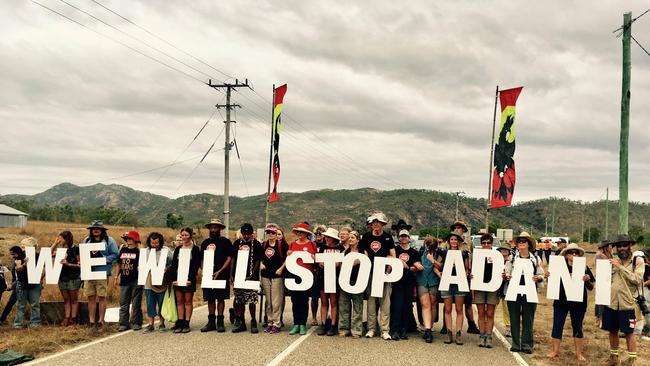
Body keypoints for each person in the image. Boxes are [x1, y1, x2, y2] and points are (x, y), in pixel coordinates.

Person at [546, 243, 595, 361]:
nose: (573, 255)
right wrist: (549, 276)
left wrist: (587, 280)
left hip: (578, 302)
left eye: (576, 253)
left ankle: (579, 353)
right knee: (557, 325)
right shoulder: (559, 267)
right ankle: (555, 351)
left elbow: (591, 287)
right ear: (566, 254)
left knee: (578, 326)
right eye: (570, 252)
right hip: (561, 300)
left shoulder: (584, 267)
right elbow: (552, 284)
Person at [603, 234, 645, 366]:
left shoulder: (637, 261)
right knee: (612, 330)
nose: (621, 248)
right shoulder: (613, 261)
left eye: (624, 245)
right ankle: (614, 357)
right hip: (612, 303)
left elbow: (637, 280)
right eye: (619, 246)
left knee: (629, 332)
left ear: (630, 246)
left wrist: (620, 267)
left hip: (627, 304)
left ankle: (632, 359)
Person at [504, 232, 545, 354]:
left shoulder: (536, 259)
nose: (521, 243)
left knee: (528, 319)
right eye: (519, 241)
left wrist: (538, 278)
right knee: (514, 318)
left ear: (529, 244)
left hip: (529, 292)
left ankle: (527, 344)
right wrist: (506, 276)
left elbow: (541, 274)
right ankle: (516, 344)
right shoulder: (512, 259)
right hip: (514, 291)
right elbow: (506, 272)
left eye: (524, 241)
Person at [360, 212, 395, 340]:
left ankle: (385, 330)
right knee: (371, 302)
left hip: (384, 274)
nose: (376, 224)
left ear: (382, 224)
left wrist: (390, 266)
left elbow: (392, 254)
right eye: (373, 223)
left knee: (385, 303)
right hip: (371, 273)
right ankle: (371, 329)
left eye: (378, 222)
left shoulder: (388, 237)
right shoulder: (366, 237)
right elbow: (364, 254)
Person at [82, 220, 119, 328]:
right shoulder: (87, 240)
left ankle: (101, 320)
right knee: (90, 297)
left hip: (102, 273)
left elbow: (115, 255)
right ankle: (92, 320)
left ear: (102, 230)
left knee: (102, 296)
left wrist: (103, 259)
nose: (96, 230)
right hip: (89, 272)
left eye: (98, 228)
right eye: (93, 229)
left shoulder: (109, 240)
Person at [199, 218, 233, 333]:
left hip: (222, 274)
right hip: (208, 275)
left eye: (215, 227)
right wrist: (204, 270)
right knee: (210, 299)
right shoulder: (205, 243)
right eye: (211, 227)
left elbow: (229, 258)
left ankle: (220, 321)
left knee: (221, 298)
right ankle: (211, 322)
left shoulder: (225, 242)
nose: (213, 229)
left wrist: (221, 270)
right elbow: (202, 259)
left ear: (220, 229)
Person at [437, 232, 470, 345]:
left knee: (459, 309)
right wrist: (439, 274)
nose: (454, 241)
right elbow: (436, 266)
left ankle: (459, 333)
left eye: (456, 239)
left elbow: (467, 269)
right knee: (447, 309)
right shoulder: (444, 252)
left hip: (459, 283)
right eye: (452, 239)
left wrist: (466, 273)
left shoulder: (464, 254)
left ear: (459, 241)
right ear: (449, 241)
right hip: (447, 282)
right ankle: (449, 332)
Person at [448, 220, 480, 336]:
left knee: (467, 301)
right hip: (450, 275)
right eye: (455, 227)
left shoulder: (468, 243)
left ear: (463, 230)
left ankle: (471, 324)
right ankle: (445, 327)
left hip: (465, 275)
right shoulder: (448, 242)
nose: (457, 229)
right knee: (448, 300)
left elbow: (473, 258)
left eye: (460, 227)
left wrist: (471, 271)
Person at [390, 229, 422, 340]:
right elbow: (389, 259)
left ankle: (404, 330)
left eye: (405, 236)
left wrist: (412, 267)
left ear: (409, 238)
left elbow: (418, 267)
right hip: (397, 282)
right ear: (399, 238)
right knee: (397, 305)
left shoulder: (414, 252)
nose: (403, 238)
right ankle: (395, 330)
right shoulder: (396, 250)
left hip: (409, 282)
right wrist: (399, 261)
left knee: (407, 306)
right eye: (401, 236)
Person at [230, 223, 263, 333]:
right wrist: (232, 274)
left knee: (252, 300)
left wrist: (252, 274)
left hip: (252, 277)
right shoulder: (236, 244)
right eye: (244, 233)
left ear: (252, 233)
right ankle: (242, 322)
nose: (246, 236)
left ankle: (253, 321)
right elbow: (233, 259)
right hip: (239, 276)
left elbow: (258, 260)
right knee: (240, 300)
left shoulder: (257, 244)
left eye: (248, 234)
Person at [287, 223, 318, 335]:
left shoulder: (312, 244)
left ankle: (303, 324)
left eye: (302, 232)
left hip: (307, 276)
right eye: (298, 232)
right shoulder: (292, 244)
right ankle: (296, 324)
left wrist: (315, 258)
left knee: (304, 300)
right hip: (294, 276)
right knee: (295, 300)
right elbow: (289, 258)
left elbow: (316, 260)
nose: (299, 234)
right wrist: (288, 254)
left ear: (306, 233)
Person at [169, 227, 201, 333]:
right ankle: (180, 321)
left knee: (187, 301)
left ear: (191, 236)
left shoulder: (195, 249)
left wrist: (190, 279)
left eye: (186, 235)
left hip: (189, 279)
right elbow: (174, 265)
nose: (184, 237)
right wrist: (173, 279)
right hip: (178, 279)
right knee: (179, 301)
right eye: (182, 235)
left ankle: (187, 323)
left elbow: (195, 266)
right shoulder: (178, 249)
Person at [260, 224, 288, 334]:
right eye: (268, 232)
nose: (271, 234)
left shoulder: (282, 245)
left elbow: (288, 258)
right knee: (268, 301)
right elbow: (260, 257)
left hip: (277, 275)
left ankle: (277, 323)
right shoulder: (264, 244)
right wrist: (261, 264)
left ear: (277, 234)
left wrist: (281, 269)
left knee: (276, 300)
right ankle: (269, 322)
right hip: (265, 275)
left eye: (273, 233)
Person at [473, 233, 499, 348]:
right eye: (484, 243)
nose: (486, 245)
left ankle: (489, 336)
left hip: (492, 287)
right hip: (479, 287)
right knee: (481, 313)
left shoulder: (496, 256)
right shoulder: (476, 256)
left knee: (490, 313)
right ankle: (481, 335)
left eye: (488, 243)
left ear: (492, 244)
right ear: (481, 244)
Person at [316, 228, 344, 336]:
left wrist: (338, 263)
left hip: (335, 277)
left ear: (333, 238)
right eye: (326, 237)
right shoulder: (322, 247)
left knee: (333, 302)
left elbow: (342, 263)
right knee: (323, 302)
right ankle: (323, 324)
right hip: (323, 277)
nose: (326, 239)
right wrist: (320, 263)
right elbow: (318, 260)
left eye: (328, 237)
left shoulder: (340, 248)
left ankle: (333, 325)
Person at [114, 231, 143, 331]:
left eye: (130, 239)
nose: (128, 240)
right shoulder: (122, 250)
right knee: (123, 303)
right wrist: (116, 276)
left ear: (135, 240)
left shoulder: (139, 252)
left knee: (136, 303)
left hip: (136, 279)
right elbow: (119, 264)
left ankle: (136, 322)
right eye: (127, 239)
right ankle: (123, 323)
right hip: (124, 280)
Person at [338, 231, 366, 338]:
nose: (350, 239)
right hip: (346, 281)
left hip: (359, 282)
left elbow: (368, 265)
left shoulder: (363, 252)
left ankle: (356, 330)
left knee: (357, 306)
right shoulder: (345, 252)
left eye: (353, 237)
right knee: (344, 305)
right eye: (349, 237)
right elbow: (340, 267)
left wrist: (360, 261)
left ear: (358, 240)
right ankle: (344, 329)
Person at [143, 232, 172, 333]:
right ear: (149, 242)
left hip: (162, 282)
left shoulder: (166, 250)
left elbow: (172, 264)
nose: (154, 245)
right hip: (148, 282)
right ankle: (150, 324)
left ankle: (161, 323)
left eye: (156, 243)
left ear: (160, 242)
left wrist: (166, 269)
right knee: (150, 303)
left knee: (161, 302)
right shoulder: (146, 251)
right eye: (152, 243)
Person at [11, 239, 42, 329]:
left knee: (35, 304)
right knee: (21, 305)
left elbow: (41, 267)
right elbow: (18, 268)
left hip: (34, 283)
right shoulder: (19, 256)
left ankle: (35, 323)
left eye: (23, 245)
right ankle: (18, 324)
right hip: (22, 283)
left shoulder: (37, 256)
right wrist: (25, 263)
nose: (22, 247)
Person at [52, 231, 81, 326]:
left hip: (73, 277)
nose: (59, 240)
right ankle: (67, 317)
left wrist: (68, 264)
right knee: (66, 299)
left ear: (66, 239)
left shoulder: (75, 249)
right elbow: (49, 254)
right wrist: (55, 244)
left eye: (61, 238)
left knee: (73, 299)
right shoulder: (60, 250)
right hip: (62, 277)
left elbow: (80, 265)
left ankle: (73, 318)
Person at [417, 236, 442, 343]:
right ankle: (427, 329)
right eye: (428, 245)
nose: (430, 247)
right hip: (422, 280)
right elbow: (416, 261)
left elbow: (440, 266)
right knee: (425, 304)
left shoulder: (439, 253)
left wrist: (433, 260)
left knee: (432, 304)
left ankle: (430, 327)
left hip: (434, 281)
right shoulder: (421, 252)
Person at [310, 224, 327, 326]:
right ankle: (314, 317)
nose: (318, 235)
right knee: (314, 297)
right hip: (314, 273)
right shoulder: (312, 244)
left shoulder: (328, 244)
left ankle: (325, 318)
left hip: (325, 273)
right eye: (316, 233)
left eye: (320, 233)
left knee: (326, 298)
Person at [496, 241, 512, 337]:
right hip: (496, 287)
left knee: (507, 309)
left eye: (506, 250)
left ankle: (508, 327)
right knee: (492, 307)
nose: (504, 251)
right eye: (502, 250)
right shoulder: (496, 261)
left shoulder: (512, 262)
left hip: (507, 287)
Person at [595, 239, 612, 327]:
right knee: (601, 301)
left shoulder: (607, 254)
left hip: (606, 279)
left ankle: (601, 318)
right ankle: (600, 318)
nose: (611, 247)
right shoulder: (600, 255)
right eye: (609, 246)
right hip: (602, 280)